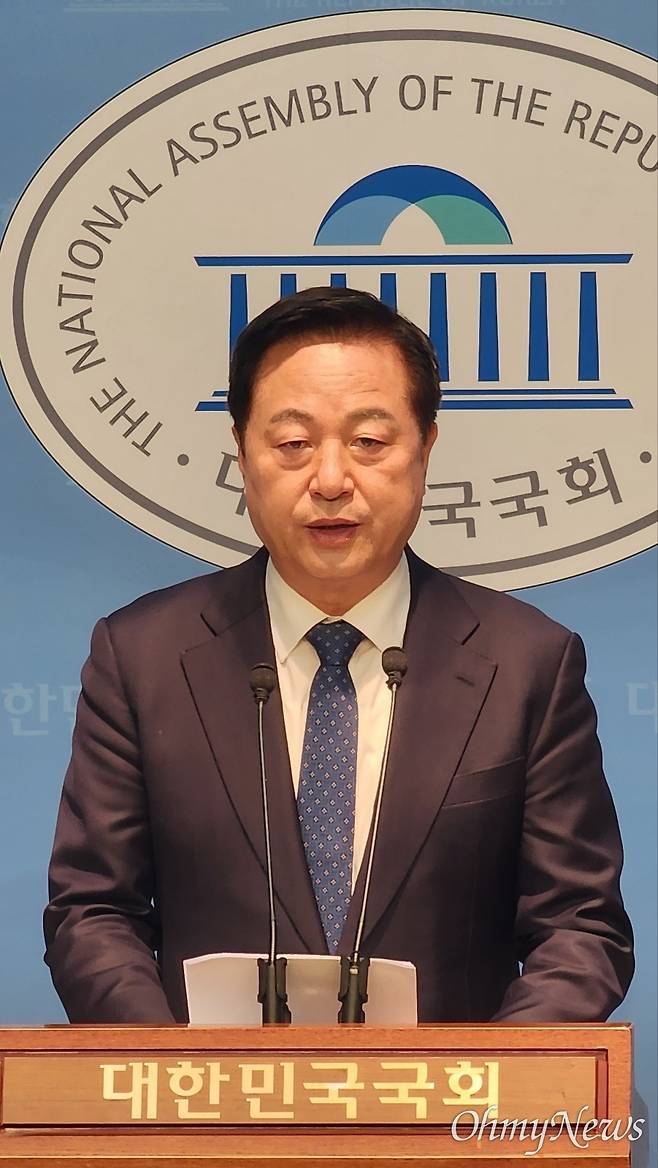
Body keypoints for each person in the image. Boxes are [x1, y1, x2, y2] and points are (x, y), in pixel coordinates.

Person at [44, 286, 634, 1024]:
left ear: (425, 450)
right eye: (293, 444)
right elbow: (92, 912)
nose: (329, 481)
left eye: (370, 442)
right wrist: (176, 1072)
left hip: (449, 1098)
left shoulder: (527, 664)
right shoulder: (143, 657)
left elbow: (579, 929)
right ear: (242, 453)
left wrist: (485, 1077)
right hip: (210, 1097)